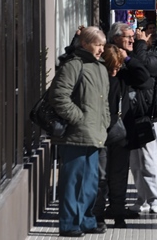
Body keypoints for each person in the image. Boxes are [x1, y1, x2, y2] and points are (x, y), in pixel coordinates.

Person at [48, 26, 110, 237]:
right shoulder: (74, 65)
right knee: (73, 182)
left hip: (95, 134)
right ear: (84, 44)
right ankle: (68, 224)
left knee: (91, 182)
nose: (101, 49)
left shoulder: (100, 67)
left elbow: (104, 102)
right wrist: (79, 118)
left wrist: (105, 121)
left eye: (103, 45)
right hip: (76, 135)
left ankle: (86, 220)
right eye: (97, 44)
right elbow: (58, 97)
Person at [107, 23, 157, 219]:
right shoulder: (107, 56)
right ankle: (137, 200)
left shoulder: (148, 53)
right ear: (115, 39)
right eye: (128, 36)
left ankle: (154, 200)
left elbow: (145, 75)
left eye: (134, 36)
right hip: (115, 122)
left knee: (145, 162)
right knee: (130, 165)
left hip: (143, 118)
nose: (133, 39)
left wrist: (132, 55)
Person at [94, 44, 151, 228]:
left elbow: (145, 78)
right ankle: (98, 215)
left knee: (118, 176)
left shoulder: (123, 77)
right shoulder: (95, 76)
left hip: (120, 133)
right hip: (99, 133)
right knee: (100, 177)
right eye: (110, 67)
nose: (113, 71)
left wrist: (127, 58)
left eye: (117, 67)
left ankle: (118, 213)